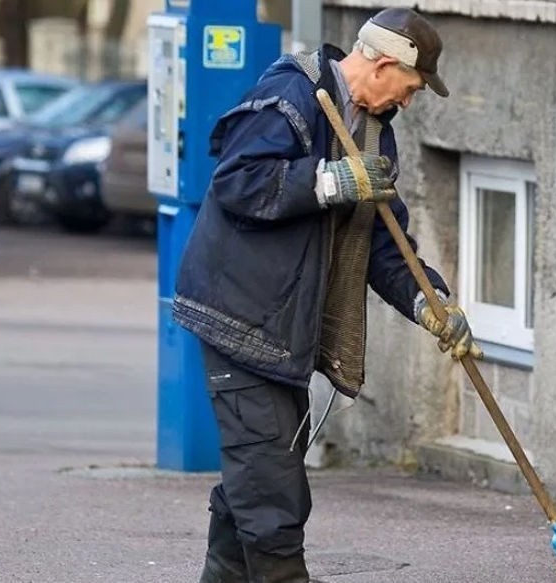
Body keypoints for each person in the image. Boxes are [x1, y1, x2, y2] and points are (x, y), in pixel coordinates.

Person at [172, 8, 480, 582]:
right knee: (273, 501)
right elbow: (237, 181)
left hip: (285, 334)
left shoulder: (373, 129)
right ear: (385, 64)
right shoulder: (293, 93)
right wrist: (329, 181)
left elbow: (386, 244)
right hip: (241, 320)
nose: (409, 102)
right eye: (411, 88)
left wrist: (431, 304)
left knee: (259, 483)